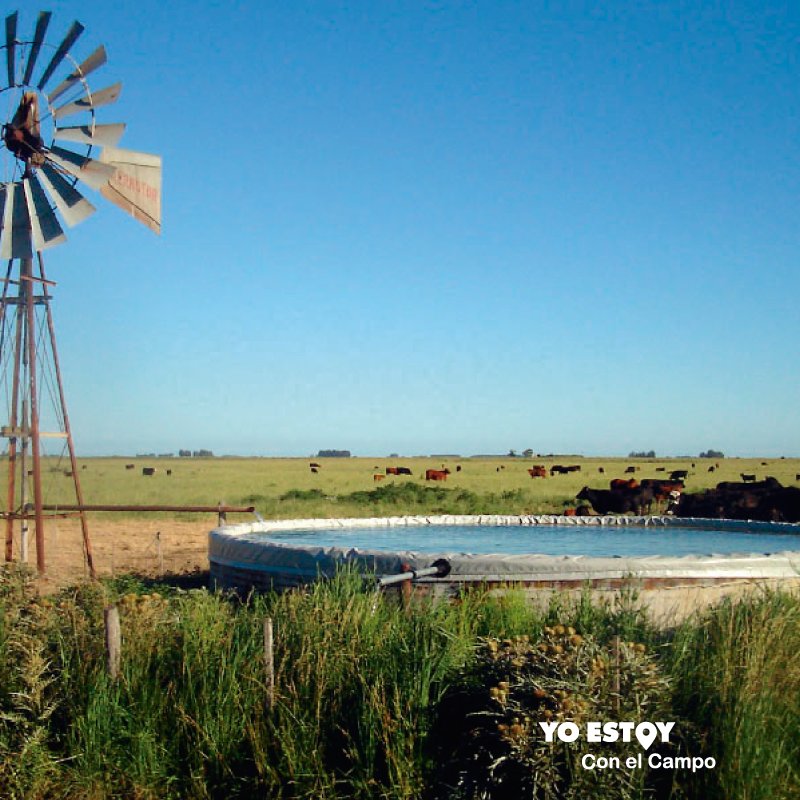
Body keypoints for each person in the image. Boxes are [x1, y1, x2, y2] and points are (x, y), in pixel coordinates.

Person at [2, 92, 45, 177]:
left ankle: (29, 100)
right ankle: (30, 100)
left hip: (19, 136)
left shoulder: (13, 145)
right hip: (24, 135)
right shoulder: (36, 142)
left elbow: (28, 158)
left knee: (27, 118)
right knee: (30, 122)